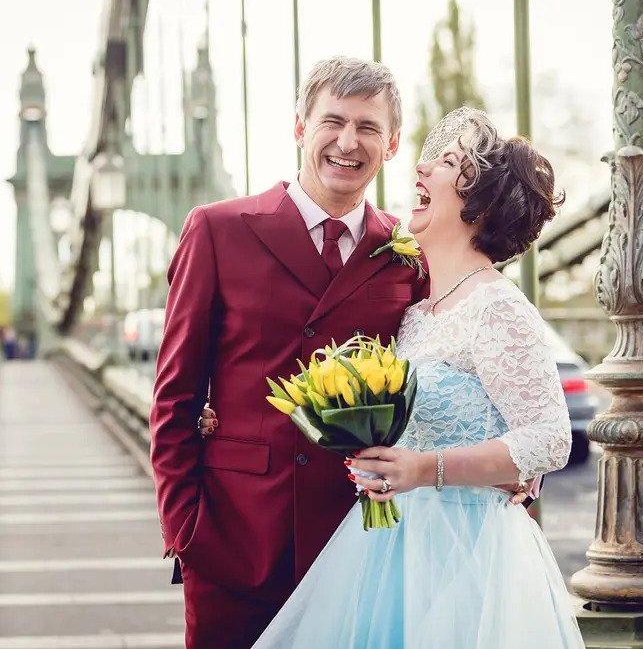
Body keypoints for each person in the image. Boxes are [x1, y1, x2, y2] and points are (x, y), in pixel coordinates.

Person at [205, 107, 584, 647]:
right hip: (391, 544)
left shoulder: (498, 307)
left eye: (447, 164)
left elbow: (550, 437)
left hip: (469, 553)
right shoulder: (417, 312)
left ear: (480, 204)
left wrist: (426, 469)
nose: (421, 172)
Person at [150, 57, 434, 649]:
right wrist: (185, 530)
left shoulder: (408, 253)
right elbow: (174, 397)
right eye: (332, 121)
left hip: (359, 535)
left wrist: (516, 468)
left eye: (368, 127)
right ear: (300, 125)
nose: (347, 142)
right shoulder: (217, 230)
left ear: (394, 144)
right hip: (234, 536)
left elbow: (441, 374)